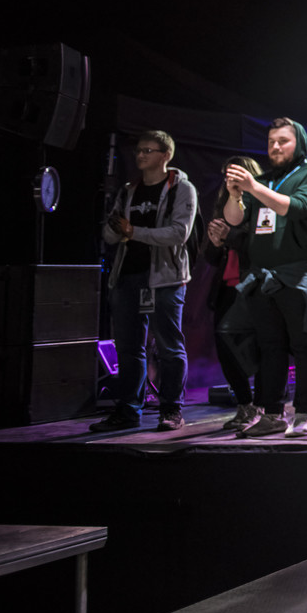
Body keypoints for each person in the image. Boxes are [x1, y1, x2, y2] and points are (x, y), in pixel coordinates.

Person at [224, 119, 307, 437]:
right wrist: (234, 195)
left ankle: (304, 413)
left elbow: (296, 208)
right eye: (271, 141)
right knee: (270, 347)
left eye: (283, 141)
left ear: (300, 144)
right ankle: (272, 413)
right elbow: (235, 219)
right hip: (263, 276)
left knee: (303, 345)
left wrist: (253, 187)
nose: (275, 147)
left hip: (299, 274)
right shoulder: (264, 179)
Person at [92, 131, 198, 432]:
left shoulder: (182, 188)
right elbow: (110, 233)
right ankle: (128, 410)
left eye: (148, 150)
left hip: (165, 278)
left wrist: (133, 231)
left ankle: (171, 409)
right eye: (138, 150)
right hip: (127, 276)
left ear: (166, 155)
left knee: (169, 346)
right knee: (128, 348)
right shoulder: (129, 190)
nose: (140, 155)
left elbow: (179, 233)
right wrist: (117, 230)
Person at [204, 156, 261, 431]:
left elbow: (262, 246)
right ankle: (244, 404)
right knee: (226, 349)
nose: (230, 181)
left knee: (260, 350)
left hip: (254, 286)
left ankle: (263, 406)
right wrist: (216, 243)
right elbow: (211, 258)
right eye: (226, 176)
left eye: (235, 175)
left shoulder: (263, 203)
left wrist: (231, 236)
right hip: (227, 287)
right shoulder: (222, 204)